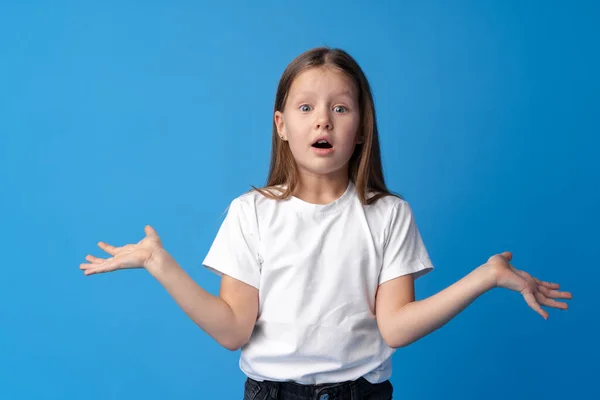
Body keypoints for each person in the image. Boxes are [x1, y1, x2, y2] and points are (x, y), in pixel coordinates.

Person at [79, 47, 573, 400]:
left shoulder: (388, 214)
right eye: (306, 108)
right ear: (281, 126)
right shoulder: (249, 212)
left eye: (340, 108)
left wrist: (484, 276)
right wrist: (160, 264)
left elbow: (396, 327)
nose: (324, 121)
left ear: (360, 129)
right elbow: (233, 329)